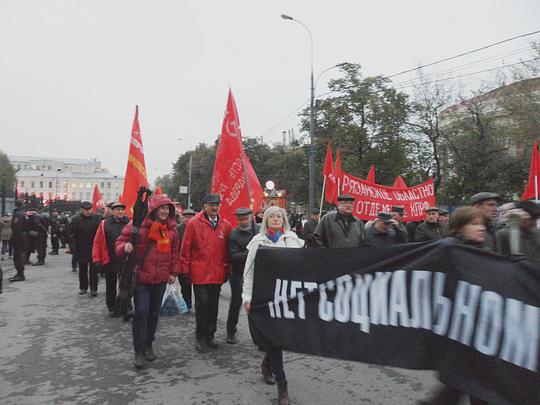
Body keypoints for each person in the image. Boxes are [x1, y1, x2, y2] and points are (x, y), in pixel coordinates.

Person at [419, 206, 489, 405]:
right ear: (459, 228)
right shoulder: (448, 249)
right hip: (456, 330)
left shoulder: (485, 250)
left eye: (482, 224)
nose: (481, 228)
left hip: (479, 331)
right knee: (465, 386)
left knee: (466, 386)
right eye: (475, 224)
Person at [242, 206, 304, 405]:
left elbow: (302, 268)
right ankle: (282, 384)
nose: (275, 219)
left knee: (282, 337)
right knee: (275, 339)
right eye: (272, 217)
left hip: (286, 297)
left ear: (284, 220)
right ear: (265, 220)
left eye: (279, 216)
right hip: (264, 296)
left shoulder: (293, 240)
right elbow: (249, 272)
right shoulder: (257, 242)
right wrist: (247, 297)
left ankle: (268, 362)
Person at [115, 195, 179, 369]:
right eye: (162, 208)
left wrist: (173, 272)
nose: (165, 211)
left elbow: (174, 252)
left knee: (153, 313)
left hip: (160, 279)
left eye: (168, 208)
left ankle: (149, 343)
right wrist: (124, 247)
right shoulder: (138, 226)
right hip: (142, 277)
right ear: (154, 210)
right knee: (141, 312)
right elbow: (119, 242)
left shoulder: (172, 230)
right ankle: (138, 349)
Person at [180, 194, 232, 353]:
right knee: (202, 305)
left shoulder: (225, 225)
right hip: (199, 272)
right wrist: (185, 270)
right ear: (204, 206)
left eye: (217, 204)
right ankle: (200, 336)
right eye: (211, 204)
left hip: (217, 273)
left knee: (213, 307)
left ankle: (210, 335)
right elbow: (185, 249)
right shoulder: (193, 223)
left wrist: (227, 270)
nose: (214, 207)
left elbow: (227, 251)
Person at [226, 207, 259, 344]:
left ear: (251, 217)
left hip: (256, 273)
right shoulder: (234, 235)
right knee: (236, 303)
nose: (244, 221)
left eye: (246, 218)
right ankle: (230, 331)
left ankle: (259, 334)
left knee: (256, 306)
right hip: (238, 274)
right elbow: (233, 256)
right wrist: (252, 252)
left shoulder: (257, 231)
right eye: (241, 219)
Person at [92, 202, 130, 315]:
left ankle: (126, 308)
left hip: (126, 260)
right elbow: (97, 242)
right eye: (118, 209)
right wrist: (96, 259)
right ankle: (112, 307)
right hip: (110, 260)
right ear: (113, 211)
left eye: (122, 209)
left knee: (126, 285)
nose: (120, 211)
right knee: (111, 286)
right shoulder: (104, 224)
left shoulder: (129, 223)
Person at [69, 201, 101, 296]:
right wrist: (73, 248)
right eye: (85, 210)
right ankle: (83, 287)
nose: (88, 212)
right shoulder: (75, 220)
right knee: (82, 269)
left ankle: (93, 289)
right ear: (81, 210)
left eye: (89, 209)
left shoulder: (97, 218)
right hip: (81, 247)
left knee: (94, 270)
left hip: (94, 247)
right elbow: (71, 236)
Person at [177, 208, 196, 310]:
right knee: (185, 284)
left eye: (190, 217)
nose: (188, 219)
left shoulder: (198, 227)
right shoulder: (178, 229)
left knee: (197, 285)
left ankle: (198, 303)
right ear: (182, 218)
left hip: (195, 261)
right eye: (186, 217)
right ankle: (186, 303)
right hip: (182, 261)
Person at [8, 200, 29, 282]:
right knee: (19, 255)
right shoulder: (23, 213)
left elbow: (17, 228)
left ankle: (20, 274)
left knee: (17, 256)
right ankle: (20, 273)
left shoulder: (17, 214)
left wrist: (13, 239)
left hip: (18, 238)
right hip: (23, 237)